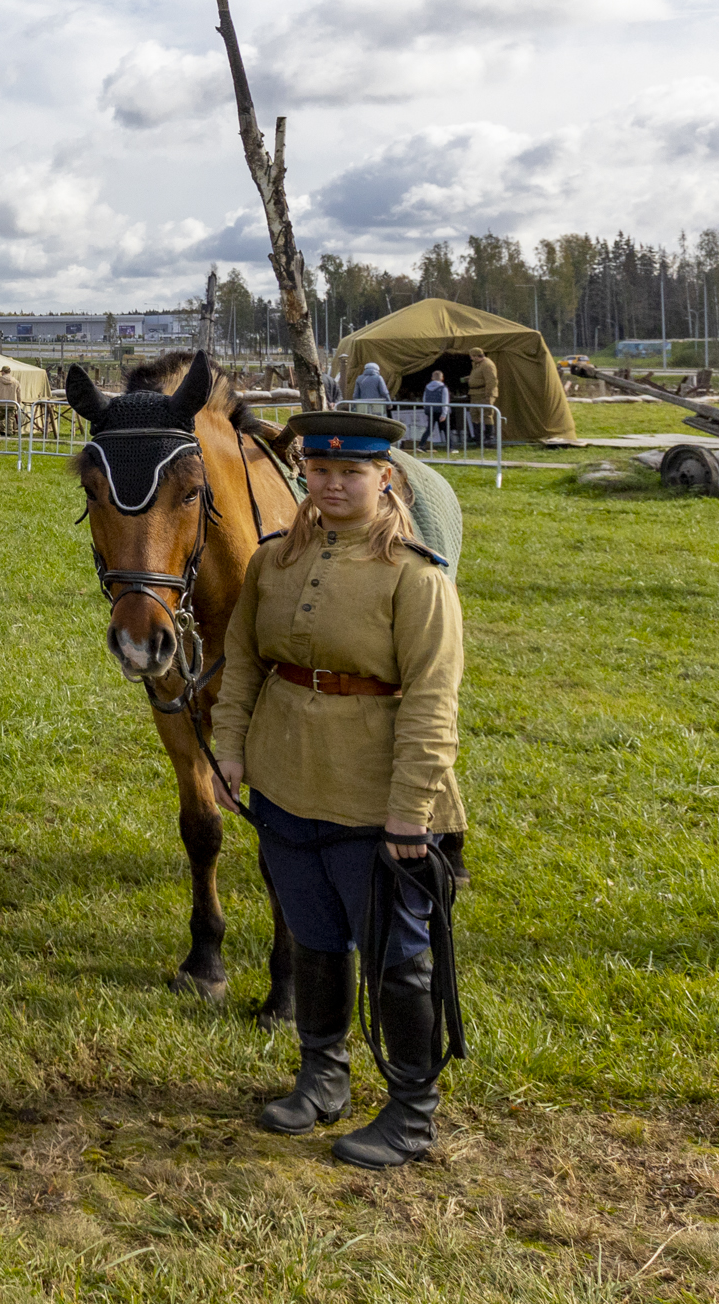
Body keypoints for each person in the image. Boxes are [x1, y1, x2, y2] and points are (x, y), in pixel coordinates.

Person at [211, 409, 467, 1171]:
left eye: (349, 473)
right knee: (316, 939)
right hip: (287, 785)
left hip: (374, 797)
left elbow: (432, 701)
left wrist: (409, 812)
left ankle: (412, 1114)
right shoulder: (273, 564)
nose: (331, 485)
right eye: (318, 472)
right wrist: (228, 750)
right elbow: (243, 662)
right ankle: (322, 1077)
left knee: (398, 956)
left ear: (384, 478)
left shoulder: (415, 577)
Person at [465, 347, 500, 447]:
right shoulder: (477, 365)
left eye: (472, 356)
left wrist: (488, 395)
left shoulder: (487, 365)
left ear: (476, 356)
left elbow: (492, 381)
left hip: (484, 393)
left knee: (486, 415)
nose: (471, 358)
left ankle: (489, 439)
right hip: (475, 393)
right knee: (474, 415)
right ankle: (478, 439)